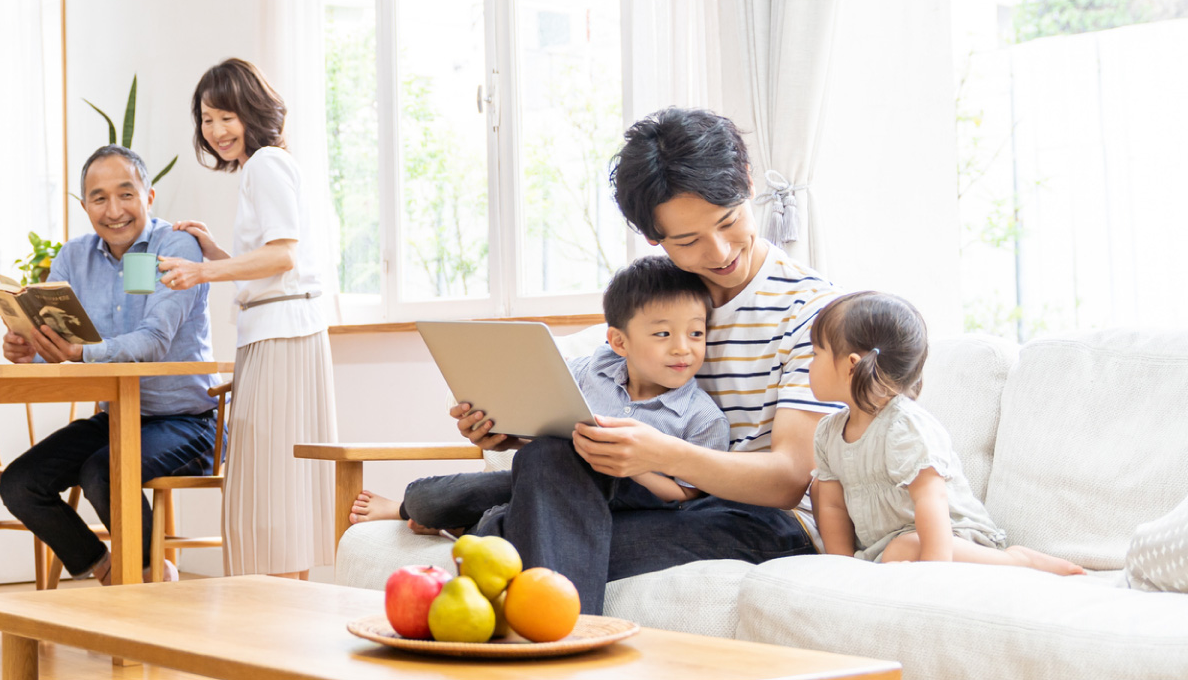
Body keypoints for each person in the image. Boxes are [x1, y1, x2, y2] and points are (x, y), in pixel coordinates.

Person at [449, 107, 843, 614]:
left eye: (729, 221)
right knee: (543, 457)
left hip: (762, 517)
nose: (720, 251)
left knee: (523, 540)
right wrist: (514, 427)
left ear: (747, 183)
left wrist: (660, 454)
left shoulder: (812, 309)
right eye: (687, 240)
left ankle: (501, 533)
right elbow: (604, 401)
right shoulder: (659, 301)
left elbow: (790, 478)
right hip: (645, 498)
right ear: (651, 236)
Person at [352, 255, 731, 534]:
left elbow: (687, 498)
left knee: (494, 527)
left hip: (623, 506)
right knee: (425, 499)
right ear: (618, 341)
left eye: (696, 334)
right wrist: (505, 432)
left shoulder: (703, 418)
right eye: (663, 334)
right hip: (544, 477)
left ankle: (460, 525)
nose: (684, 348)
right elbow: (549, 428)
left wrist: (633, 467)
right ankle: (414, 511)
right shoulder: (589, 371)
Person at [0, 145, 218, 585]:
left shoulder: (176, 246)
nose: (113, 210)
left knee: (102, 470)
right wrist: (31, 349)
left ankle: (150, 576)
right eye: (99, 198)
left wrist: (78, 353)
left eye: (126, 194)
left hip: (189, 421)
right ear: (85, 207)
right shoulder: (72, 257)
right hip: (117, 415)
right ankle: (112, 570)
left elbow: (154, 341)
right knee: (20, 483)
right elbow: (62, 343)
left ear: (149, 197)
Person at [157, 58, 336, 579]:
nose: (215, 132)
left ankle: (276, 609)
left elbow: (282, 257)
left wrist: (200, 271)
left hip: (282, 335)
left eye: (225, 117)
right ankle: (284, 608)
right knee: (276, 481)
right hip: (277, 331)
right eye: (207, 120)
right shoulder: (268, 168)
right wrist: (213, 250)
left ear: (251, 111)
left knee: (270, 480)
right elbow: (269, 263)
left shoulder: (266, 165)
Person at [808, 291, 1082, 574]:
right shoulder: (828, 434)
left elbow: (931, 498)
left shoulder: (903, 427)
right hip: (884, 548)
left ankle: (1017, 561)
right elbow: (832, 507)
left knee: (902, 548)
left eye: (815, 353)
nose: (809, 364)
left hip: (950, 535)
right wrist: (843, 569)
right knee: (886, 544)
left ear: (851, 365)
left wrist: (935, 573)